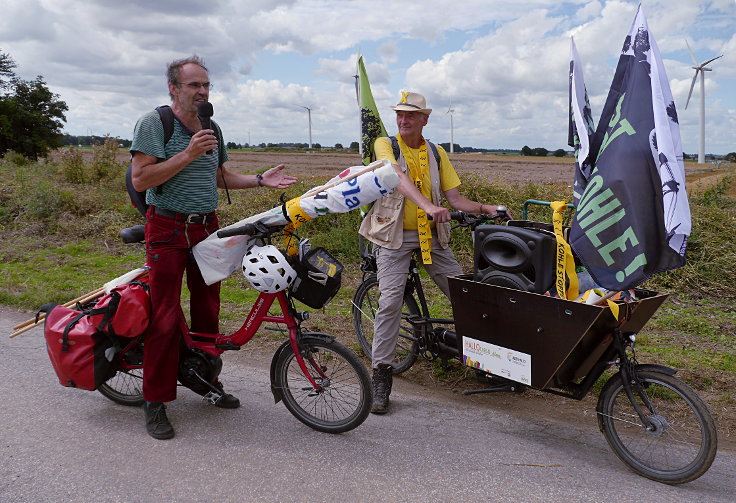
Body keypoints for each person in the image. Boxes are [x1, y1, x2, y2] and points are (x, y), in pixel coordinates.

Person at [130, 55, 297, 439]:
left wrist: (259, 180)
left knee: (208, 309)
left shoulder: (212, 126)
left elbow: (219, 175)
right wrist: (186, 153)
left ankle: (204, 380)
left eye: (206, 85)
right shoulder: (155, 123)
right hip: (168, 227)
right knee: (165, 316)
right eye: (194, 85)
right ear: (174, 88)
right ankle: (156, 400)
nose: (203, 92)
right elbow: (141, 180)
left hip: (207, 228)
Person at [359, 91, 509, 414]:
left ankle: (485, 360)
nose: (403, 120)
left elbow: (455, 199)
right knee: (389, 303)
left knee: (464, 293)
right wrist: (427, 205)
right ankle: (381, 375)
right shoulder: (386, 145)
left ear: (424, 119)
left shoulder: (437, 153)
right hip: (393, 236)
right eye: (400, 115)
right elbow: (395, 177)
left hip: (431, 235)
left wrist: (488, 209)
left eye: (410, 116)